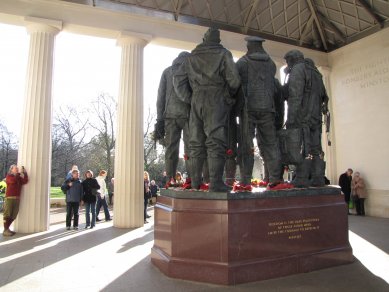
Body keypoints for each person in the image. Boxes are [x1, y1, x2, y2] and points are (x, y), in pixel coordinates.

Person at [173, 27, 241, 192]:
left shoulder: (191, 56)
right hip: (216, 98)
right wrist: (227, 96)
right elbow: (234, 80)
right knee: (216, 141)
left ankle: (196, 182)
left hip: (197, 99)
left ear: (204, 39)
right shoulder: (224, 54)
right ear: (218, 40)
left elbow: (178, 80)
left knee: (195, 142)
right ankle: (216, 182)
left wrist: (190, 98)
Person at [236, 36, 282, 188]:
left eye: (248, 44)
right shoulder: (271, 64)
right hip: (268, 109)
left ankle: (245, 180)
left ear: (251, 46)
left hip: (248, 109)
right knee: (271, 144)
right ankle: (275, 178)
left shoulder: (242, 63)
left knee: (246, 144)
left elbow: (235, 86)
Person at [283, 50, 329, 187]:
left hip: (301, 116)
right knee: (316, 148)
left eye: (288, 61)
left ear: (292, 59)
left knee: (303, 148)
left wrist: (291, 118)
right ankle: (318, 177)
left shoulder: (298, 69)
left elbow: (295, 95)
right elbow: (324, 97)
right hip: (315, 116)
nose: (287, 64)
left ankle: (302, 178)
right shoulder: (316, 72)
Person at [155, 52, 191, 187]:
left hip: (170, 115)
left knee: (171, 149)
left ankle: (170, 179)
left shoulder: (167, 72)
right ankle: (192, 179)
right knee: (191, 148)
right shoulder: (191, 69)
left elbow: (160, 97)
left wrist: (159, 119)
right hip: (188, 115)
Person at [3, 165, 28, 236]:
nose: (17, 169)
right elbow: (13, 181)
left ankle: (7, 229)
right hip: (9, 198)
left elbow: (25, 181)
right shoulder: (9, 176)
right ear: (11, 170)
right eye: (16, 169)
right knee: (7, 214)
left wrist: (25, 173)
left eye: (17, 169)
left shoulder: (18, 177)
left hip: (17, 198)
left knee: (14, 215)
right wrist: (19, 174)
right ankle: (5, 230)